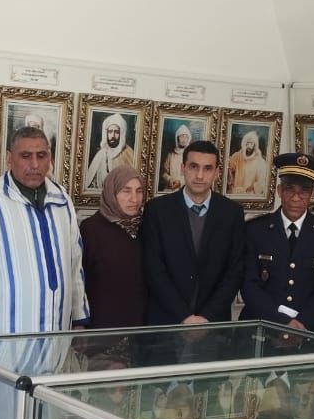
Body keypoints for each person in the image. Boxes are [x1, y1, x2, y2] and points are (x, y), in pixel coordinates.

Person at [0, 125, 89, 419]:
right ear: (9, 158)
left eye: (41, 156)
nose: (34, 164)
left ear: (50, 158)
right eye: (25, 156)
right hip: (3, 345)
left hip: (56, 341)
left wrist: (79, 319)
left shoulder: (62, 201)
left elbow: (75, 263)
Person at [142, 140, 245, 325]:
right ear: (182, 168)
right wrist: (184, 316)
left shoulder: (232, 213)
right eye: (193, 166)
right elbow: (154, 270)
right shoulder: (157, 210)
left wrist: (207, 317)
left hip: (213, 324)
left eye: (207, 168)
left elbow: (234, 272)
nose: (199, 175)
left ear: (217, 172)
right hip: (165, 321)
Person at [240, 153, 314, 334]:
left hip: (309, 330)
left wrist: (302, 324)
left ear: (313, 193)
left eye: (304, 191)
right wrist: (281, 322)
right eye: (289, 189)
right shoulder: (254, 230)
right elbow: (249, 285)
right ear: (279, 191)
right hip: (262, 327)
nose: (295, 197)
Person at [81, 166, 147, 328]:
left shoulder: (146, 226)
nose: (134, 199)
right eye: (126, 191)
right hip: (102, 327)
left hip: (141, 328)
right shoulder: (91, 229)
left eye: (139, 191)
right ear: (112, 192)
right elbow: (80, 281)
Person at [84, 113, 137, 191]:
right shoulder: (101, 154)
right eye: (110, 131)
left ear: (121, 133)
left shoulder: (129, 153)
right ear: (106, 133)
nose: (113, 135)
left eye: (116, 132)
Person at [228, 131, 269, 195]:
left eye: (251, 143)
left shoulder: (260, 161)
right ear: (244, 144)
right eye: (247, 143)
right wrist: (230, 178)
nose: (249, 146)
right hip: (236, 192)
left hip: (250, 194)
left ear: (254, 145)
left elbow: (262, 180)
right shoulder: (237, 156)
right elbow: (229, 169)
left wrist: (253, 187)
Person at [159, 124, 191, 192]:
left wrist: (180, 182)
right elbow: (164, 173)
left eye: (186, 137)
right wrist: (169, 179)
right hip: (170, 188)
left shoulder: (191, 155)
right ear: (177, 138)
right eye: (181, 136)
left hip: (185, 188)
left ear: (188, 139)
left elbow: (192, 175)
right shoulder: (171, 154)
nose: (184, 139)